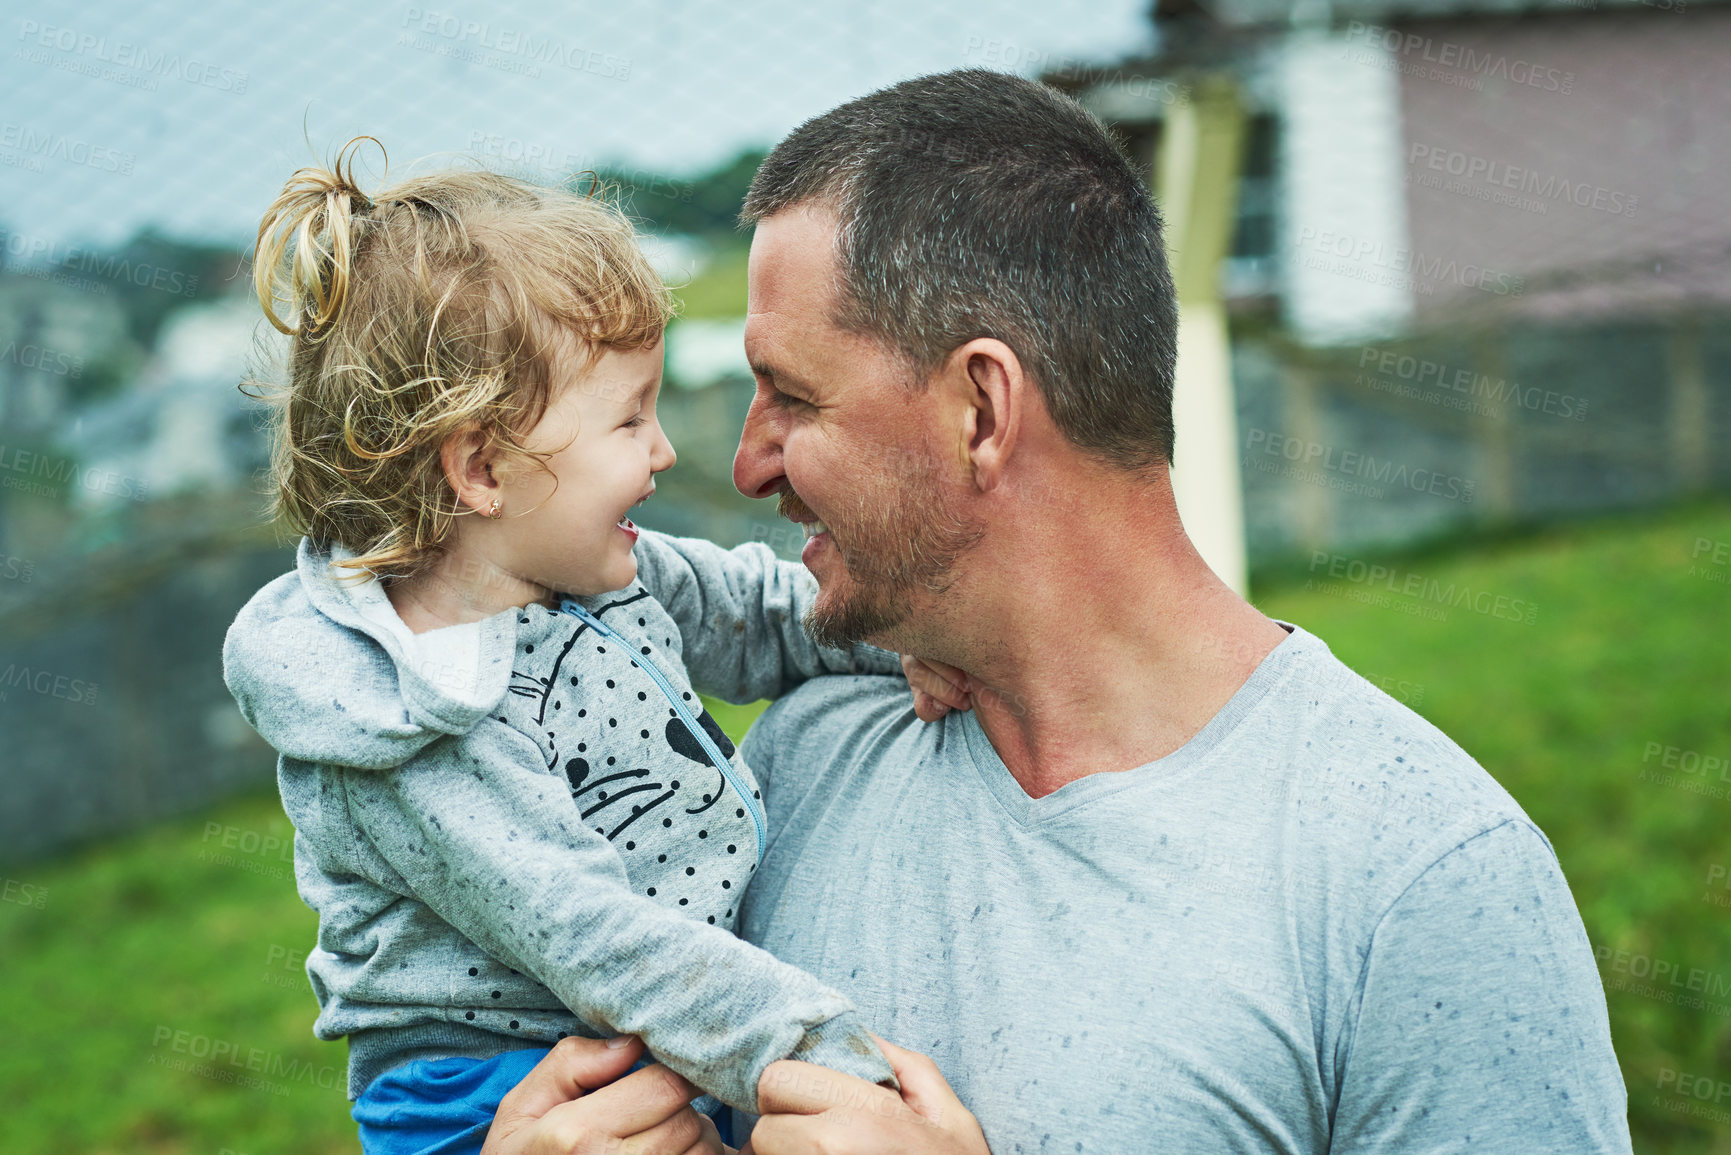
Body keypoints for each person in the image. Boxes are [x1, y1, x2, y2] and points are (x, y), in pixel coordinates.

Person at [483, 69, 1636, 1153]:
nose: (745, 464)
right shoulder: (786, 778)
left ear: (981, 409)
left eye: (793, 395)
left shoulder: (1417, 877)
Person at [221, 140, 925, 1155]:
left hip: (644, 1023)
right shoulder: (422, 721)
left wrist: (926, 645)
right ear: (482, 469)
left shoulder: (599, 566)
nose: (664, 450)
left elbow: (772, 617)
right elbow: (595, 938)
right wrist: (826, 1057)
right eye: (628, 418)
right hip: (487, 1095)